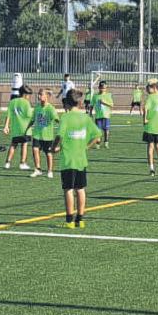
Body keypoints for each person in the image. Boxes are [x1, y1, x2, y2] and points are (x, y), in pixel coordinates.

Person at [52, 90, 102, 229]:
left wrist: (53, 148)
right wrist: (86, 147)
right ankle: (80, 220)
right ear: (79, 103)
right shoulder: (85, 118)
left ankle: (69, 221)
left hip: (68, 160)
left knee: (68, 189)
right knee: (80, 189)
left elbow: (59, 136)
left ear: (67, 103)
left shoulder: (66, 118)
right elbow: (98, 136)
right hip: (81, 159)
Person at [29, 88, 59, 178]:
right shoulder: (37, 107)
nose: (39, 96)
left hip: (47, 136)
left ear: (47, 96)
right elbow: (33, 120)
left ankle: (50, 171)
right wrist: (26, 129)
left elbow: (56, 119)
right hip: (37, 134)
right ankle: (38, 169)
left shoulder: (50, 108)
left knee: (48, 153)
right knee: (35, 149)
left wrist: (62, 124)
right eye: (38, 94)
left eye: (41, 94)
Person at [3, 84, 34, 171]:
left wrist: (6, 126)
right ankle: (22, 163)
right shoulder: (26, 103)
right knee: (24, 145)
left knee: (13, 145)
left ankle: (7, 163)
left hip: (15, 129)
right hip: (25, 129)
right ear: (25, 94)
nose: (29, 97)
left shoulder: (12, 102)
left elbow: (8, 115)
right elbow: (29, 115)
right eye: (28, 95)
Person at [92, 80, 114, 148]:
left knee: (106, 130)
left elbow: (112, 105)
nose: (102, 89)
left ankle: (106, 142)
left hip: (106, 115)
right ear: (99, 87)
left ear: (106, 88)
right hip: (98, 116)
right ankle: (98, 143)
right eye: (101, 88)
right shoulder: (95, 96)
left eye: (104, 88)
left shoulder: (108, 95)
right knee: (98, 131)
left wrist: (104, 103)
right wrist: (90, 112)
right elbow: (92, 105)